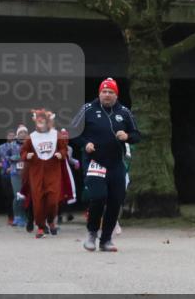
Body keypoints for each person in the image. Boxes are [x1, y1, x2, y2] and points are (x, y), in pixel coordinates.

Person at [70, 78, 140, 252]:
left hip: (116, 163)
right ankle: (92, 234)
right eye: (104, 91)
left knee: (116, 200)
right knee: (99, 196)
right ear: (99, 93)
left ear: (116, 95)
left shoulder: (124, 112)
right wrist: (85, 144)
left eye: (111, 92)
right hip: (95, 162)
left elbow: (137, 135)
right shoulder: (88, 109)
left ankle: (106, 239)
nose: (107, 95)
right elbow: (72, 132)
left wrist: (127, 136)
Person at [20, 109, 67, 238]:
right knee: (38, 200)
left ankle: (51, 220)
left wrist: (61, 154)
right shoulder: (31, 137)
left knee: (52, 200)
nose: (40, 122)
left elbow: (64, 149)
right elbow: (23, 151)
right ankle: (40, 226)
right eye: (38, 120)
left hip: (53, 172)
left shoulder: (56, 135)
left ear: (47, 121)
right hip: (36, 172)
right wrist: (26, 155)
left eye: (43, 120)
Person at [0, 131, 19, 225]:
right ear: (6, 136)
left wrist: (12, 167)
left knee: (18, 195)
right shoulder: (0, 147)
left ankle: (19, 216)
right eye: (10, 135)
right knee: (8, 196)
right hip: (5, 174)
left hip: (16, 173)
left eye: (13, 135)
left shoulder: (18, 147)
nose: (12, 137)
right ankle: (10, 217)